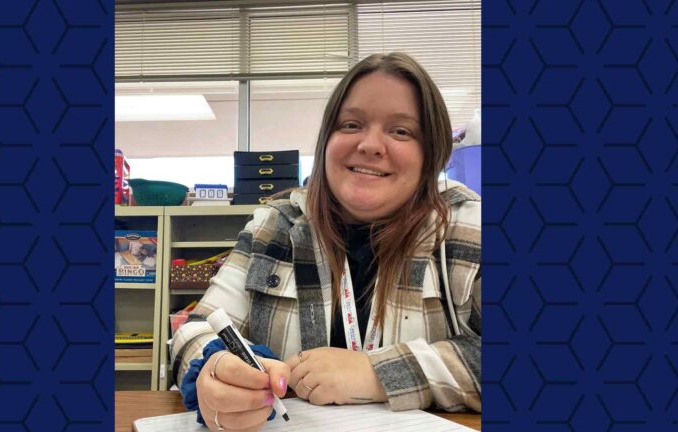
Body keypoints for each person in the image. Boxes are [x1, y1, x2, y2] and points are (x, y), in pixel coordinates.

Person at [169, 52, 481, 432]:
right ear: (326, 140)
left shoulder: (467, 224)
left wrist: (378, 373)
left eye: (401, 131)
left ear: (431, 153)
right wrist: (216, 369)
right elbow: (196, 329)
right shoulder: (276, 223)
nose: (370, 144)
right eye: (351, 124)